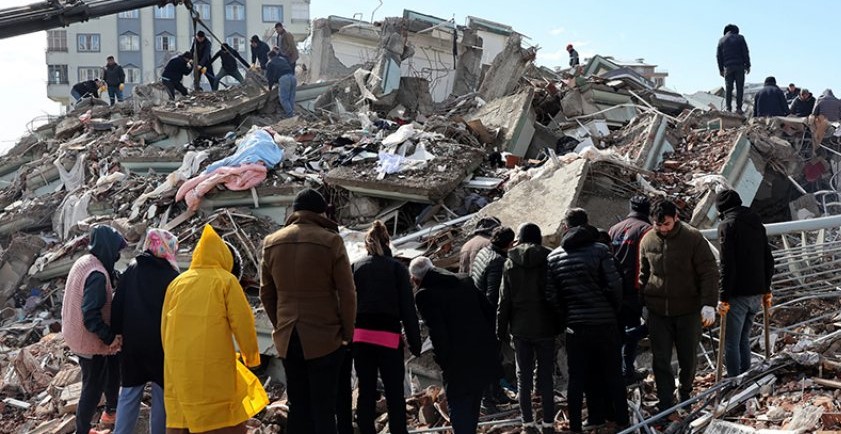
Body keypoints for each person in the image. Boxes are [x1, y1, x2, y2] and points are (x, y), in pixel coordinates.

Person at [260, 188, 356, 434]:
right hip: (325, 337)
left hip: (288, 338)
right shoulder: (331, 241)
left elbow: (267, 294)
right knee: (324, 408)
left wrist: (281, 326)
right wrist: (347, 334)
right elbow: (347, 294)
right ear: (320, 212)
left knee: (298, 406)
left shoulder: (271, 243)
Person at [162, 225, 267, 434]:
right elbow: (243, 324)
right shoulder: (226, 281)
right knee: (220, 418)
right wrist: (252, 358)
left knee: (183, 416)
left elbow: (165, 328)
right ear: (225, 258)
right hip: (213, 367)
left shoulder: (177, 283)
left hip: (178, 366)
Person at [545, 209, 628, 433]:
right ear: (587, 224)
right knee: (613, 374)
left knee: (578, 378)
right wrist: (611, 310)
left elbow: (552, 297)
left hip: (576, 328)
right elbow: (615, 285)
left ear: (565, 227)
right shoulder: (600, 251)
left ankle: (580, 425)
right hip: (604, 324)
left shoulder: (553, 257)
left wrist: (567, 318)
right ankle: (622, 422)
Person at [639, 200, 719, 412]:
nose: (663, 229)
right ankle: (665, 401)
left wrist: (708, 304)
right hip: (658, 312)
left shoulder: (692, 238)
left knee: (688, 356)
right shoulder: (647, 240)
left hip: (688, 309)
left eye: (666, 224)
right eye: (658, 225)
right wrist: (642, 303)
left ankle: (685, 393)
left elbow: (709, 272)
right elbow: (644, 274)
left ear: (675, 218)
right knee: (661, 358)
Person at [411, 256, 501, 434]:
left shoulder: (424, 295)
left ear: (415, 279)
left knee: (459, 406)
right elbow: (489, 311)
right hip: (481, 351)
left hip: (456, 360)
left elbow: (437, 333)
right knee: (474, 401)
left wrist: (443, 360)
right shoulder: (464, 279)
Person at [350, 221, 422, 434]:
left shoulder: (356, 267)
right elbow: (408, 309)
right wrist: (415, 344)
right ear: (387, 242)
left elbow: (347, 303)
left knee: (366, 391)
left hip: (361, 338)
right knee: (394, 393)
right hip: (388, 338)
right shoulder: (397, 269)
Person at [111, 229, 179, 434]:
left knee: (129, 393)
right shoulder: (172, 276)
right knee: (161, 396)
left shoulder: (132, 269)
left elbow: (118, 304)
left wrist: (115, 333)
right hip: (161, 346)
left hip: (132, 345)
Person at [61, 225, 126, 434]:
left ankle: (110, 411)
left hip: (73, 331)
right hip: (85, 339)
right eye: (116, 251)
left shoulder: (87, 261)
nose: (117, 255)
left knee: (109, 365)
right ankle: (83, 430)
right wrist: (108, 337)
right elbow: (91, 315)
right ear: (108, 249)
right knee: (93, 386)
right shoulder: (97, 276)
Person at [496, 223, 555, 434]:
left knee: (523, 377)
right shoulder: (549, 259)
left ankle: (528, 424)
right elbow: (555, 295)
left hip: (520, 328)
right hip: (546, 327)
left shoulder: (509, 263)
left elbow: (504, 301)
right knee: (546, 376)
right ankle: (548, 424)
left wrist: (500, 331)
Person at [715, 190, 775, 378]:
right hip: (757, 293)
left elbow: (727, 265)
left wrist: (723, 297)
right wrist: (766, 289)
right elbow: (768, 258)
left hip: (738, 294)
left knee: (731, 342)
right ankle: (746, 379)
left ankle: (734, 382)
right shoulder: (756, 222)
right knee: (744, 339)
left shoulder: (726, 226)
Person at [470, 226, 516, 410]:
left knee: (493, 359)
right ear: (509, 243)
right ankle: (487, 399)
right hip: (486, 317)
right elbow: (493, 295)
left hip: (477, 312)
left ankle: (496, 393)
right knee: (489, 359)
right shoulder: (498, 261)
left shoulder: (485, 251)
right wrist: (499, 323)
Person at [609, 195, 653, 384]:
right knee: (638, 329)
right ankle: (627, 371)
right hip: (636, 289)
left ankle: (619, 370)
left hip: (615, 289)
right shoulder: (646, 230)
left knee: (619, 328)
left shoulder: (614, 229)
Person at [717, 24, 751, 114]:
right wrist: (748, 65)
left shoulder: (721, 40)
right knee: (740, 88)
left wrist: (721, 69)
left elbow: (718, 56)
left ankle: (728, 108)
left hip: (728, 68)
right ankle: (739, 108)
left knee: (728, 88)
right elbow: (745, 52)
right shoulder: (740, 38)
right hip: (739, 66)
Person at [266, 50, 296, 118]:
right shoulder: (282, 59)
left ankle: (290, 115)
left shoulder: (270, 63)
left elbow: (269, 77)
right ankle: (292, 114)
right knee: (291, 97)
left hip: (284, 79)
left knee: (284, 98)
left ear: (269, 57)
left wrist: (270, 87)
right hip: (292, 77)